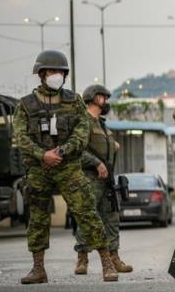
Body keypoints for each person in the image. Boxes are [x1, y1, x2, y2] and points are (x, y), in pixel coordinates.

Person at [13, 50, 118, 284]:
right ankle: (38, 268)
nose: (56, 75)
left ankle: (107, 264)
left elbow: (82, 132)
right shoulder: (26, 105)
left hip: (68, 167)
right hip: (39, 169)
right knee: (38, 219)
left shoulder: (74, 101)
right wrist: (43, 155)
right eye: (52, 71)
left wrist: (61, 151)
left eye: (60, 72)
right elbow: (20, 137)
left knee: (87, 213)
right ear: (41, 74)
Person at [74, 84, 132, 275]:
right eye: (102, 97)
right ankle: (82, 258)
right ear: (92, 98)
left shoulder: (102, 124)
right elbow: (76, 151)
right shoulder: (83, 122)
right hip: (90, 178)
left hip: (107, 179)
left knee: (112, 218)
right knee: (88, 218)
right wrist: (96, 163)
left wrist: (112, 145)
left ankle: (114, 257)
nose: (105, 100)